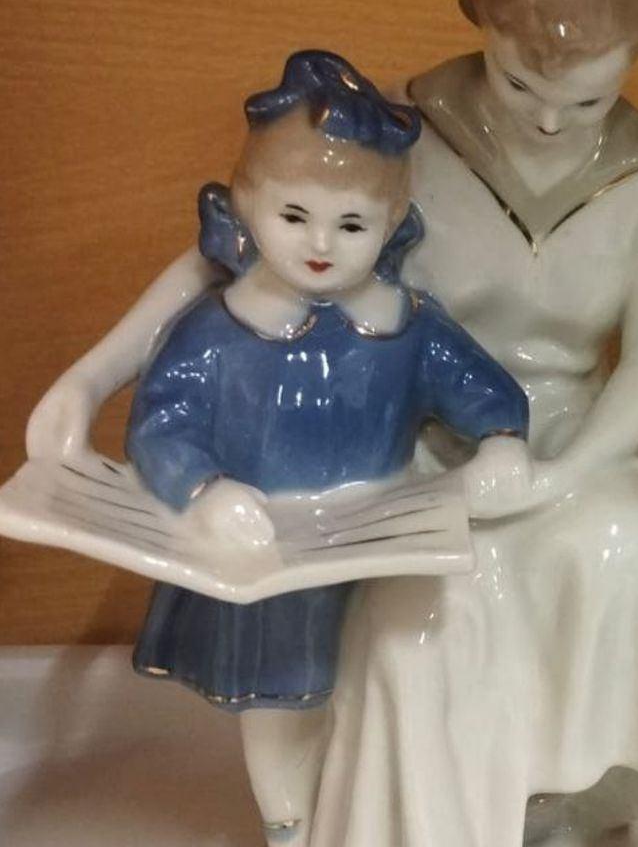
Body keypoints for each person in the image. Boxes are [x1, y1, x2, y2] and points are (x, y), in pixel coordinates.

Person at [25, 0, 638, 845]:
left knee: (625, 540)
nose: (551, 121)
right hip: (398, 430)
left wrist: (556, 474)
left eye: (588, 98)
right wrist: (89, 379)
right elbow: (231, 261)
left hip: (566, 436)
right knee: (432, 603)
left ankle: (582, 796)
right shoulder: (393, 128)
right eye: (521, 84)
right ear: (481, 26)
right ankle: (422, 821)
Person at [121, 50, 531, 847]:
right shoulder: (218, 329)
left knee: (384, 688)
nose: (321, 244)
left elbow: (484, 389)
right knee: (277, 708)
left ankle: (373, 814)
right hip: (271, 561)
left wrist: (502, 441)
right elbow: (161, 425)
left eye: (350, 224)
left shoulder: (404, 326)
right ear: (245, 205)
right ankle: (289, 826)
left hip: (383, 553)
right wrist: (205, 491)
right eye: (293, 215)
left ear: (392, 224)